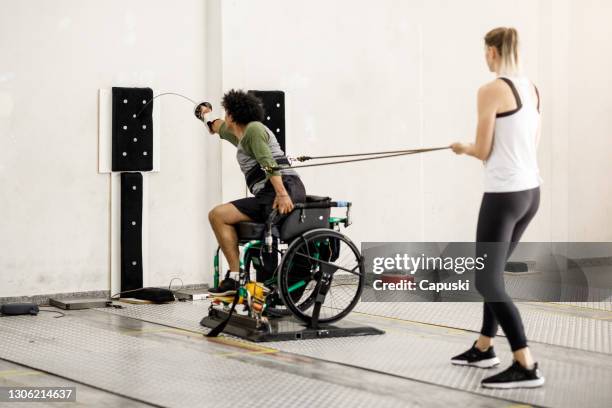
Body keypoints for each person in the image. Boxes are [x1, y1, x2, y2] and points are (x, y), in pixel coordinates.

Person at [449, 27, 545, 389]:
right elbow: (531, 141)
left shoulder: (490, 91)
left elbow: (484, 150)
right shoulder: (531, 89)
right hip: (530, 193)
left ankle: (525, 363)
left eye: (484, 52)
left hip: (503, 197)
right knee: (495, 273)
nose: (484, 58)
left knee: (485, 278)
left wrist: (463, 146)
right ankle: (485, 346)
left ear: (492, 52)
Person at [200, 90, 306, 296]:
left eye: (226, 112)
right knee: (219, 215)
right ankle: (237, 276)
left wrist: (282, 194)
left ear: (232, 116)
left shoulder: (254, 130)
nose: (225, 116)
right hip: (270, 191)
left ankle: (237, 276)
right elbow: (217, 127)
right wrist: (204, 114)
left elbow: (268, 163)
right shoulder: (240, 134)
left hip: (283, 188)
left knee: (218, 215)